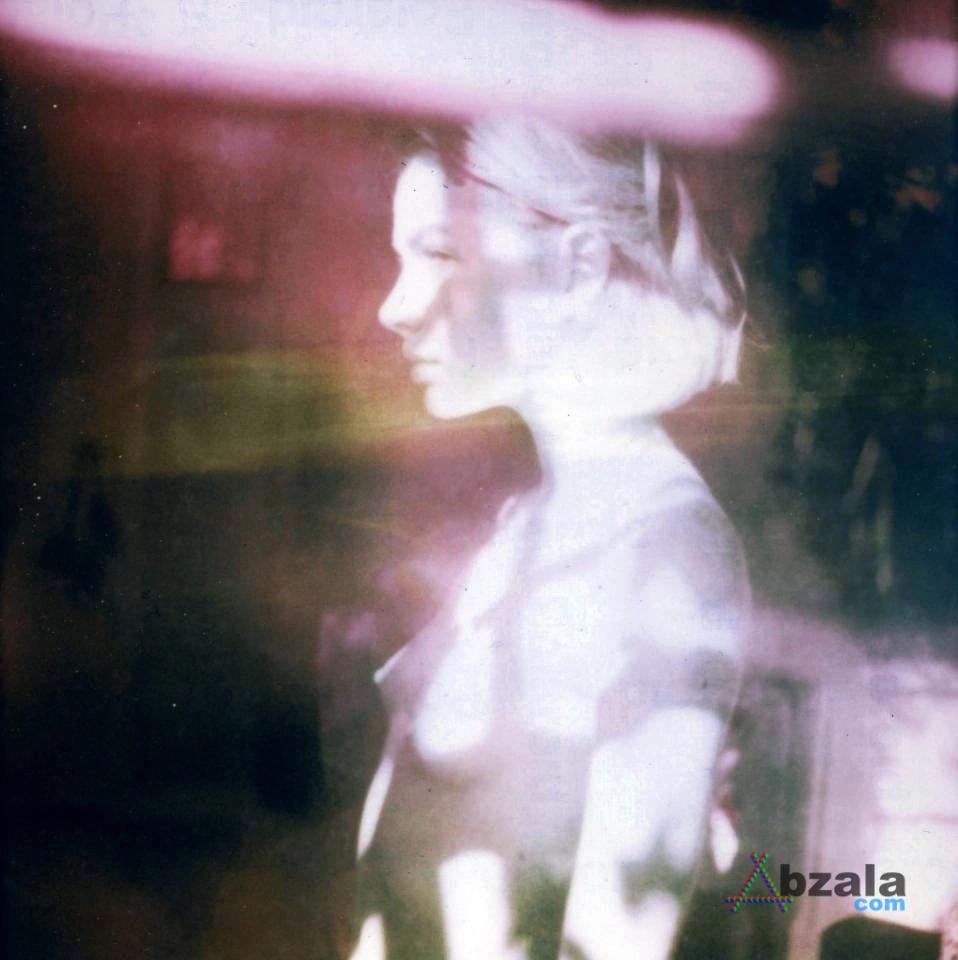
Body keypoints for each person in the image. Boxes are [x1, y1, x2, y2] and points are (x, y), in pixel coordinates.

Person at [348, 116, 750, 960]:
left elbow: (618, 942)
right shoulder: (527, 523)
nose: (394, 307)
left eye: (440, 253)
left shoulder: (668, 548)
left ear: (578, 267)